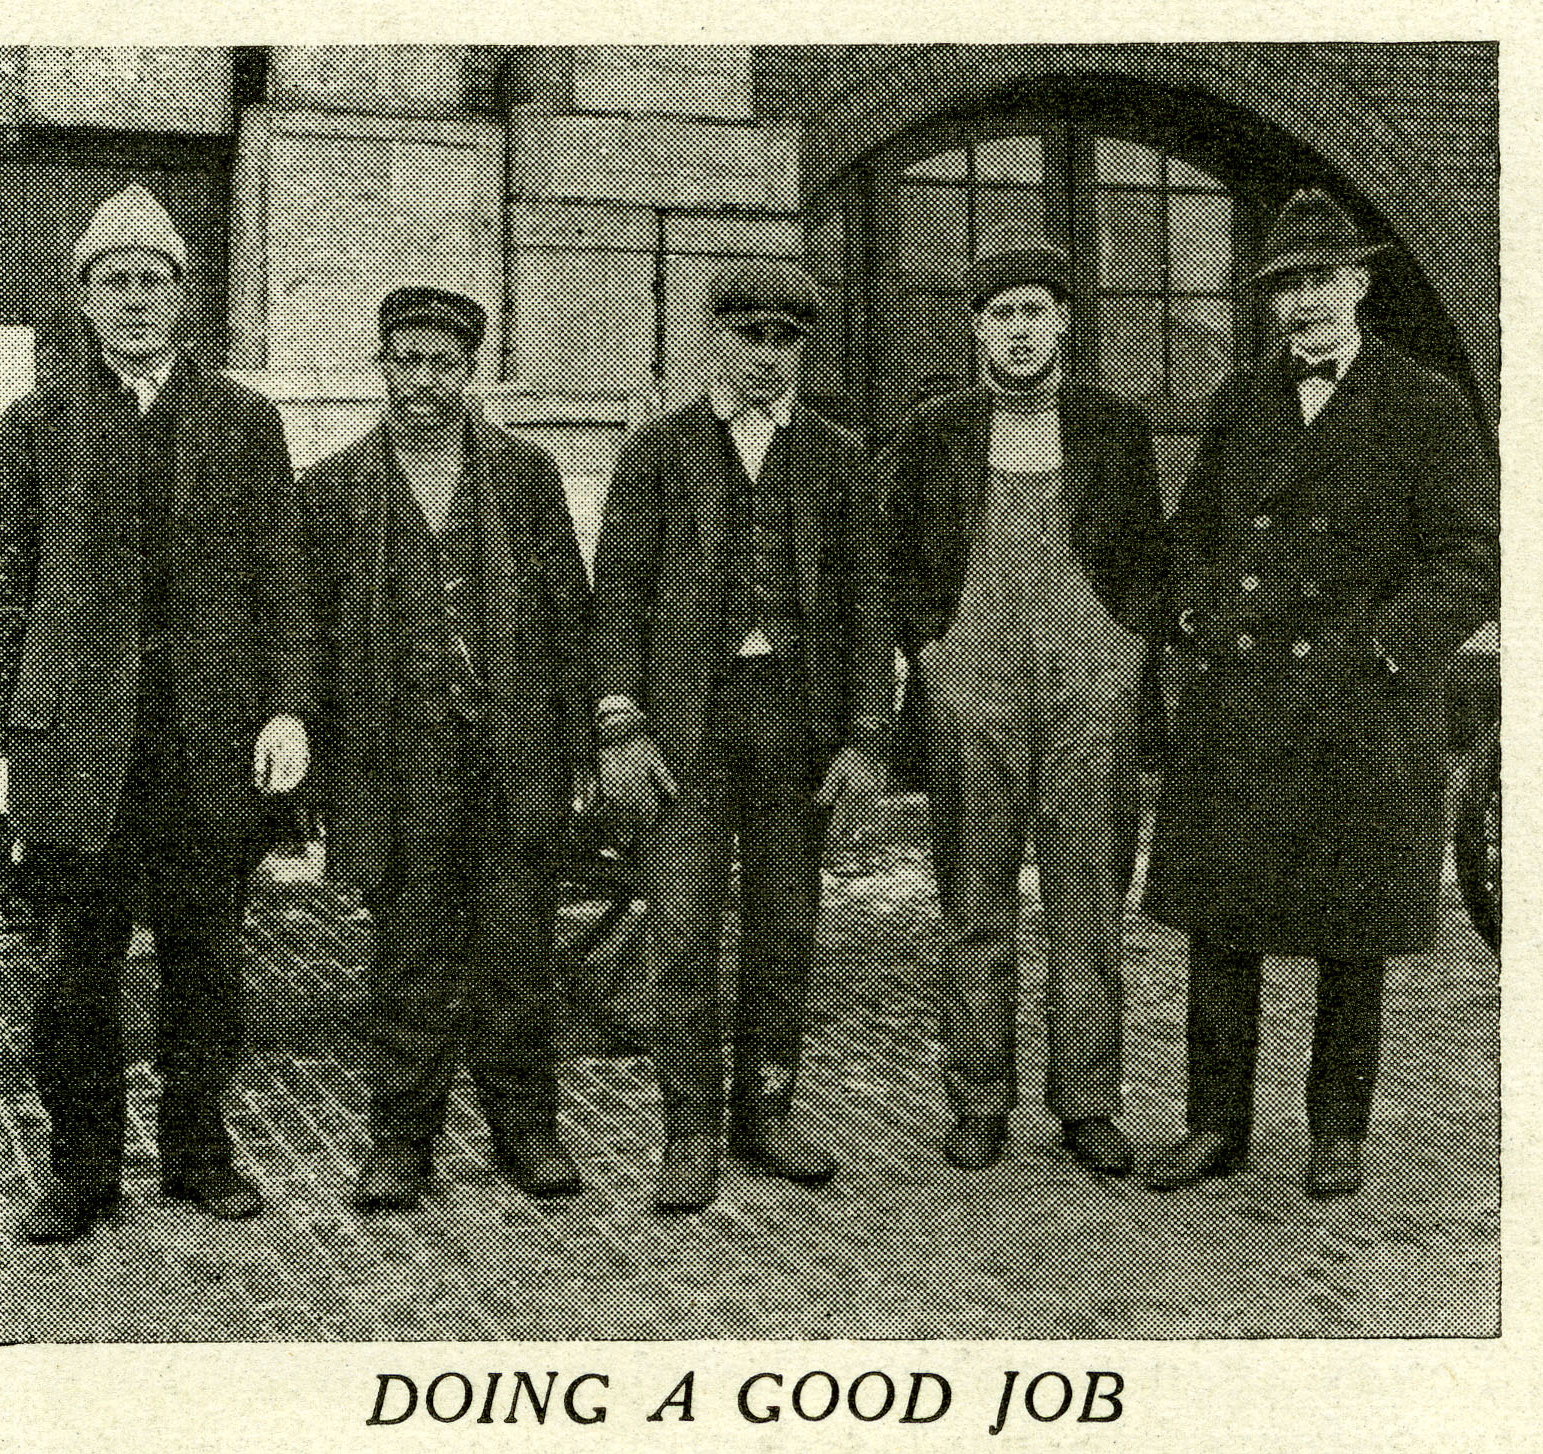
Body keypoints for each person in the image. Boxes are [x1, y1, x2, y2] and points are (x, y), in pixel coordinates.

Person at [1140, 189, 1499, 1197]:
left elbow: (1470, 557)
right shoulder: (1238, 400)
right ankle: (1216, 1124)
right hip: (1243, 703)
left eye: (1321, 280)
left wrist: (1387, 650)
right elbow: (1193, 537)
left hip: (1360, 709)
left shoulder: (1423, 403)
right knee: (1223, 924)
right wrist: (1191, 617)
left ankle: (1335, 1128)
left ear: (1361, 283)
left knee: (1352, 933)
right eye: (1286, 285)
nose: (1304, 303)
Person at [0, 184, 318, 1241]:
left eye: (154, 281)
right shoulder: (34, 424)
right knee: (75, 978)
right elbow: (3, 589)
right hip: (80, 749)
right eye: (114, 281)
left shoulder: (243, 419)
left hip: (205, 748)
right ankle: (82, 1171)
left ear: (186, 299)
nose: (135, 300)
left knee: (205, 967)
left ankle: (197, 1152)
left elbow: (283, 580)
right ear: (83, 302)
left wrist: (287, 710)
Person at [589, 260, 893, 1212]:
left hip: (793, 734)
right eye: (747, 338)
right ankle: (689, 1134)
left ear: (804, 348)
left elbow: (866, 610)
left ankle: (766, 1111)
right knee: (679, 932)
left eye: (784, 341)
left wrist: (864, 741)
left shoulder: (838, 456)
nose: (764, 358)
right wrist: (620, 728)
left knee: (785, 929)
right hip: (685, 735)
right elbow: (619, 598)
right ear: (713, 339)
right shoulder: (659, 451)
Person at [880, 245, 1168, 1176]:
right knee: (974, 909)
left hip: (1092, 688)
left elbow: (1144, 554)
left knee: (1087, 910)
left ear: (1063, 324)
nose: (1018, 331)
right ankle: (978, 1103)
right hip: (972, 688)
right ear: (975, 327)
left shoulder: (1113, 428)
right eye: (1000, 313)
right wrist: (929, 649)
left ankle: (1086, 1105)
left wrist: (1124, 653)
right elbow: (895, 555)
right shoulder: (936, 430)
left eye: (1034, 312)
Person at [303, 288, 592, 1211]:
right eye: (406, 362)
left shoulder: (525, 476)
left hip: (513, 755)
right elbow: (303, 636)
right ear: (381, 366)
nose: (423, 382)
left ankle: (526, 1130)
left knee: (517, 949)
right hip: (398, 763)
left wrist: (581, 745)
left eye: (445, 364)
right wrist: (312, 761)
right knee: (410, 955)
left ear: (472, 372)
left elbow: (567, 616)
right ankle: (399, 1140)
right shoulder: (333, 490)